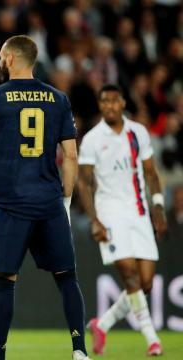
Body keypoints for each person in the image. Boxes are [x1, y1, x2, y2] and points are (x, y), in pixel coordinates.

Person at [0, 35, 90, 360]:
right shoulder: (58, 99)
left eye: (0, 55)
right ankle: (79, 350)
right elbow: (71, 156)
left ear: (9, 58)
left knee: (3, 282)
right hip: (49, 203)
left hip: (11, 206)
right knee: (66, 277)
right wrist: (64, 199)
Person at [78, 84, 167, 357]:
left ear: (123, 102)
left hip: (139, 212)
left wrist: (159, 208)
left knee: (146, 282)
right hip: (111, 214)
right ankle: (153, 340)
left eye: (114, 101)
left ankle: (101, 324)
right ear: (100, 104)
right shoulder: (93, 139)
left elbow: (151, 173)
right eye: (104, 102)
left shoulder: (138, 132)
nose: (110, 106)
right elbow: (84, 182)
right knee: (129, 275)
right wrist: (95, 220)